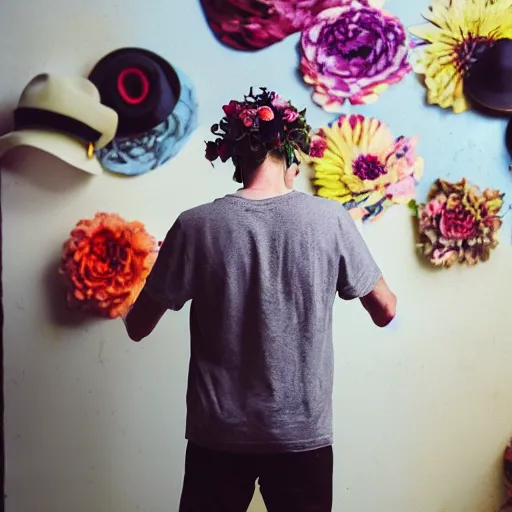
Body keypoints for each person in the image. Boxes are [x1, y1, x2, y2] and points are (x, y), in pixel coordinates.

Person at [124, 87, 397, 512]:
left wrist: (150, 270)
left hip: (216, 435)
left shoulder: (195, 225)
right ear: (289, 153)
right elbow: (386, 311)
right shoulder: (330, 220)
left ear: (234, 156)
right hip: (300, 434)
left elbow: (137, 327)